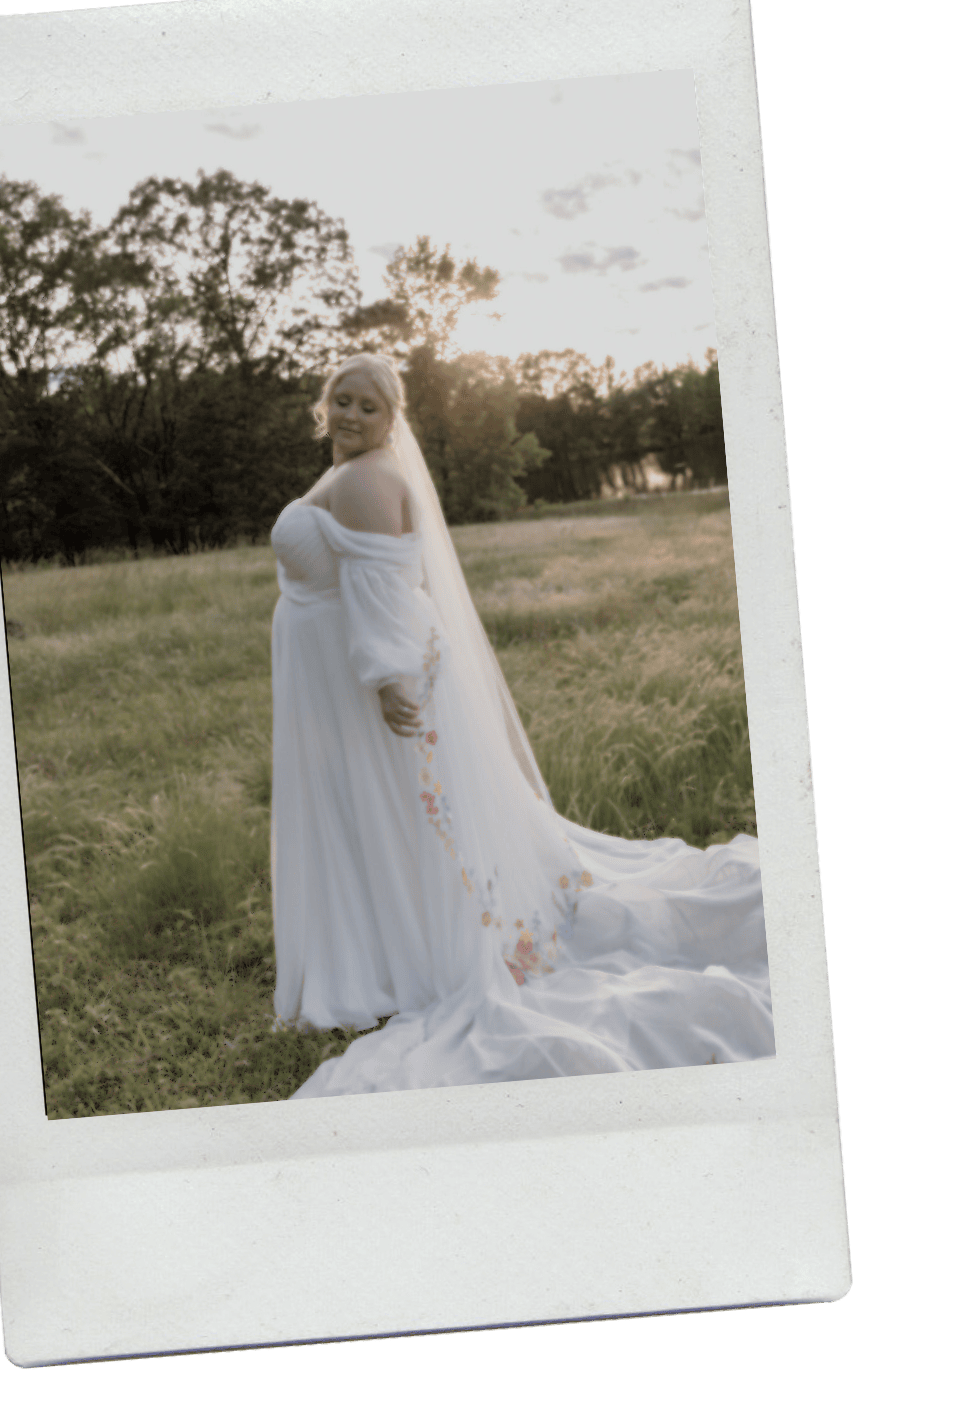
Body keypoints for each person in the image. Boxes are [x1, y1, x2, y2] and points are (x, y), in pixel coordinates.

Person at [269, 354, 773, 1097]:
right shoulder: (348, 471)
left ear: (391, 418)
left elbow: (383, 592)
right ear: (324, 404)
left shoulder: (369, 477)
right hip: (336, 685)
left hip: (376, 684)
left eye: (367, 406)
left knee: (413, 818)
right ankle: (378, 952)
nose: (348, 414)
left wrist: (383, 677)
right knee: (382, 820)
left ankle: (414, 954)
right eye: (340, 399)